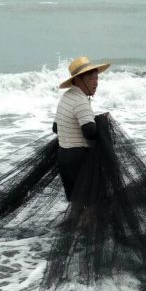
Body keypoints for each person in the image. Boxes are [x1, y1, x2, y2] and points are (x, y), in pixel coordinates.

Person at [53, 56, 110, 200]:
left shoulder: (66, 97)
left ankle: (78, 222)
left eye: (97, 78)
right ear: (79, 80)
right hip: (78, 159)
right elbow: (89, 132)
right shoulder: (80, 101)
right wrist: (102, 124)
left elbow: (55, 128)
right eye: (92, 79)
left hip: (63, 157)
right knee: (89, 203)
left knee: (76, 201)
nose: (96, 83)